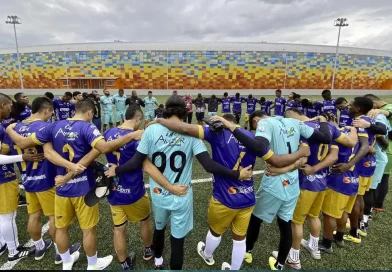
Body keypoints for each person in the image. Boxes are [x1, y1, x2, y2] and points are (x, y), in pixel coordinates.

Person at [108, 96, 253, 270]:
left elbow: (135, 162)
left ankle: (158, 260)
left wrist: (116, 170)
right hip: (182, 195)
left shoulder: (151, 131)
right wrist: (237, 174)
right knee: (177, 241)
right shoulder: (191, 134)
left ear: (165, 111)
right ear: (185, 112)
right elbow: (208, 165)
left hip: (158, 194)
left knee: (159, 229)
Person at [155, 113, 312, 270]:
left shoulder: (216, 133)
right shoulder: (253, 137)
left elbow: (183, 127)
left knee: (215, 232)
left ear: (221, 121)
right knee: (239, 238)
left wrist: (160, 120)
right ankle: (234, 268)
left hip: (224, 197)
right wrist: (298, 157)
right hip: (247, 196)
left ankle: (207, 254)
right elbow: (275, 160)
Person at [7, 99, 145, 270]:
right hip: (83, 189)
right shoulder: (87, 127)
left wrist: (8, 129)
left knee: (62, 228)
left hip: (61, 188)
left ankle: (66, 262)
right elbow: (104, 147)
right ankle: (93, 264)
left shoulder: (53, 126)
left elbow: (24, 143)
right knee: (88, 230)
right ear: (89, 113)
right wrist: (131, 135)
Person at [211, 110, 332, 270]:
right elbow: (326, 137)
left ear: (255, 120)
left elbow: (259, 146)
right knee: (285, 224)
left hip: (274, 184)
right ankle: (280, 263)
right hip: (293, 183)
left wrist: (232, 128)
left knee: (255, 219)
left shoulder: (264, 123)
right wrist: (323, 120)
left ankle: (247, 251)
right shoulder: (294, 122)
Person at [104, 106, 185, 270]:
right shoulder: (136, 140)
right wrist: (170, 186)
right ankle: (148, 250)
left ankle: (124, 264)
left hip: (113, 191)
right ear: (138, 119)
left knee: (118, 229)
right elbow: (147, 167)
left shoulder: (108, 133)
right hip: (134, 192)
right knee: (145, 220)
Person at [5, 97, 81, 263]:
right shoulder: (45, 127)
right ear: (46, 110)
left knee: (34, 215)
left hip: (27, 178)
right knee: (54, 217)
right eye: (50, 112)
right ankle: (60, 253)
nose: (51, 114)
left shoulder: (16, 127)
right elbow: (49, 153)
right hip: (46, 179)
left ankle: (39, 247)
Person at [283, 109, 357, 269]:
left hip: (305, 183)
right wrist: (353, 129)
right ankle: (314, 247)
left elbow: (301, 156)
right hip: (323, 181)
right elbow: (335, 155)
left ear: (290, 117)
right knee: (314, 216)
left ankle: (293, 257)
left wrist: (308, 168)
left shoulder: (301, 128)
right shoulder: (329, 127)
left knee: (297, 221)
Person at [0, 93, 45, 262]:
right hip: (3, 177)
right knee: (7, 216)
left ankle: (3, 245)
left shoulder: (6, 127)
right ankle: (13, 251)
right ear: (2, 106)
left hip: (9, 175)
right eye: (9, 106)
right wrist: (21, 157)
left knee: (2, 215)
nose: (11, 109)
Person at [363, 94, 392, 211]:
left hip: (387, 149)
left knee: (383, 177)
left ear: (374, 103)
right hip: (386, 147)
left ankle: (378, 204)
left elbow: (389, 113)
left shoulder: (388, 107)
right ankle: (376, 204)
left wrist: (379, 111)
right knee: (382, 177)